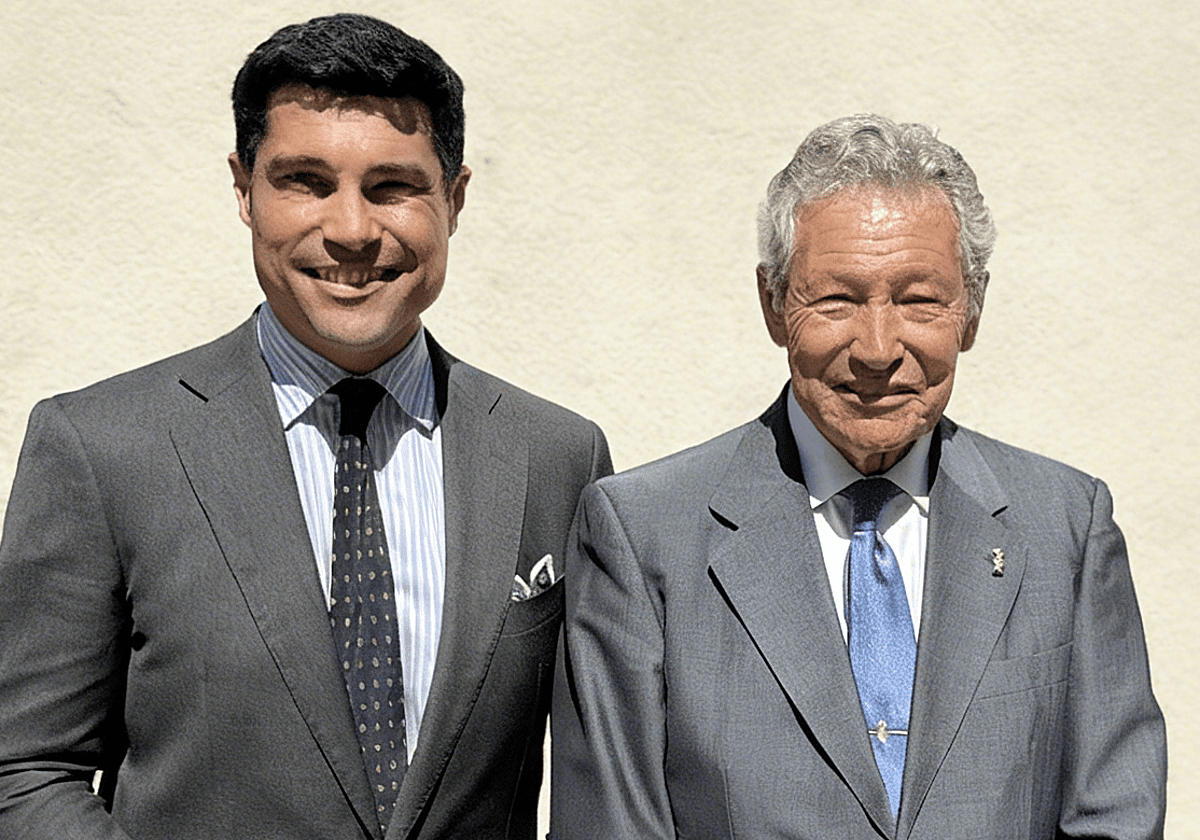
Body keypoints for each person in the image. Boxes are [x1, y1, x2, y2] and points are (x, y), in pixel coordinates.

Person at [0, 13, 609, 840]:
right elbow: (26, 771)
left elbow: (601, 780)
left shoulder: (558, 458)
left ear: (454, 199)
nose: (352, 230)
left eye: (391, 187)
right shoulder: (104, 449)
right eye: (306, 182)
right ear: (244, 190)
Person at [551, 114, 1165, 839]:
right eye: (837, 300)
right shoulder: (643, 535)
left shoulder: (1065, 527)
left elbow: (1116, 817)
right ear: (774, 304)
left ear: (971, 311)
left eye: (919, 300)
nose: (877, 349)